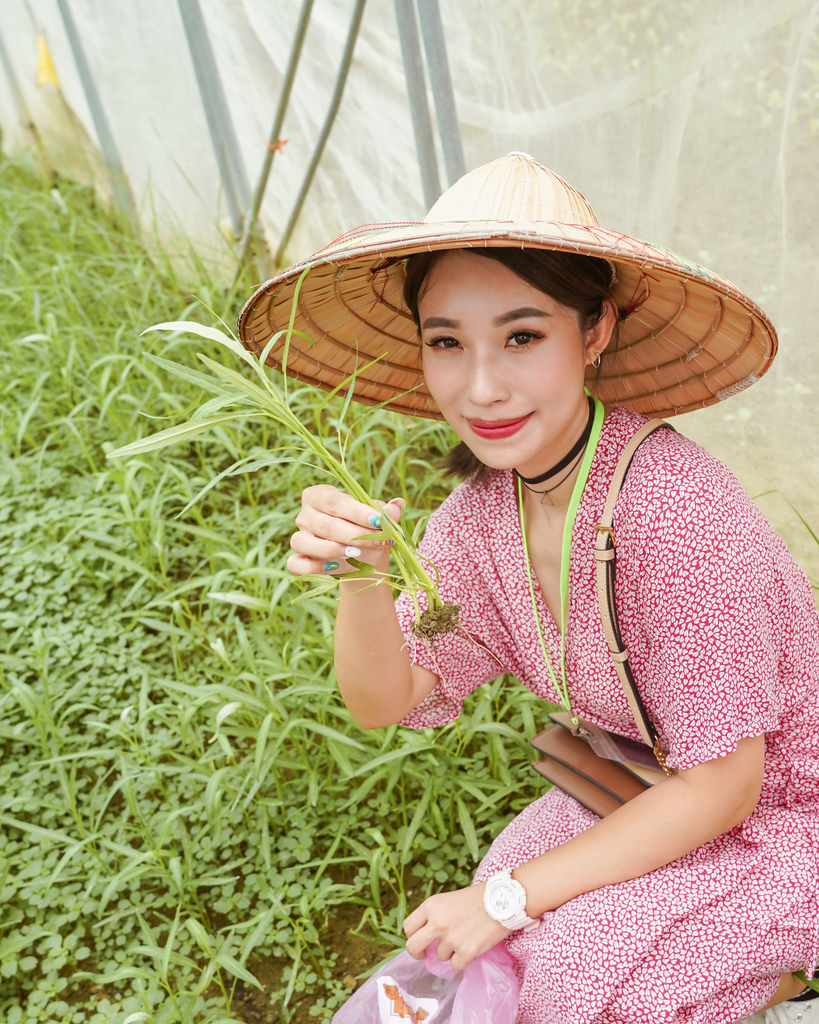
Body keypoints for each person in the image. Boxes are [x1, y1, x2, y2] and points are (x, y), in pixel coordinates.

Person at [238, 153, 819, 1024]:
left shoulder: (677, 515)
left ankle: (785, 983)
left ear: (594, 332)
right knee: (492, 933)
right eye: (446, 341)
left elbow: (727, 787)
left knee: (578, 981)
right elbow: (388, 698)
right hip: (647, 783)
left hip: (786, 808)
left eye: (521, 336)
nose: (479, 387)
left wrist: (512, 898)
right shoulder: (478, 518)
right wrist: (360, 581)